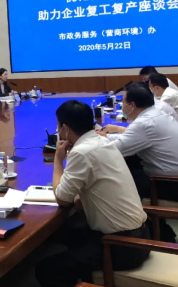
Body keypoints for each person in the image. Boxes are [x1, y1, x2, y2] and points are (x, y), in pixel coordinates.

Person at [35, 100, 149, 287]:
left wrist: (58, 159)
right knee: (70, 235)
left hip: (120, 247)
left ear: (65, 129)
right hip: (141, 235)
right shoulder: (101, 141)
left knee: (46, 269)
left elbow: (62, 199)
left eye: (58, 127)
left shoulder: (81, 152)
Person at [101, 82, 178, 202]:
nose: (122, 105)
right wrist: (106, 136)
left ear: (132, 105)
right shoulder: (157, 114)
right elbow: (128, 139)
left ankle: (129, 211)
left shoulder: (144, 123)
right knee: (130, 160)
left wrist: (97, 139)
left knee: (119, 174)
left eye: (123, 102)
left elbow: (114, 150)